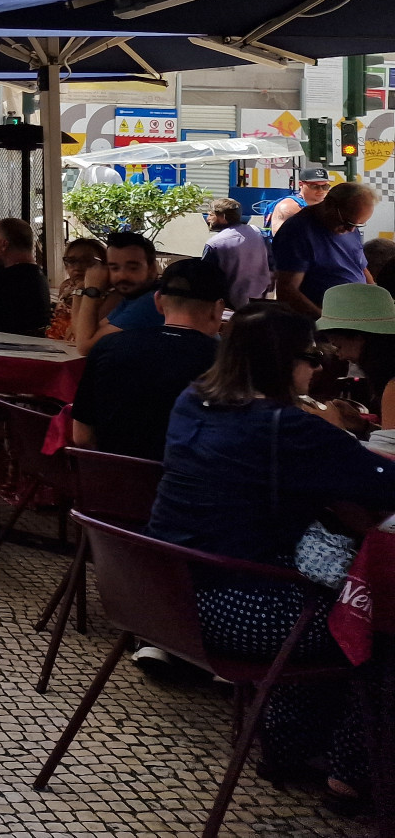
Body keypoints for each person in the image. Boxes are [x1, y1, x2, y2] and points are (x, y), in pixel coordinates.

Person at [149, 303, 395, 811]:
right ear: (287, 361)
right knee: (377, 623)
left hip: (163, 593)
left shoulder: (193, 399)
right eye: (312, 357)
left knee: (312, 593)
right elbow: (385, 485)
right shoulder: (288, 428)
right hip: (242, 613)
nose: (316, 369)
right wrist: (336, 435)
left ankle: (289, 748)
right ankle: (353, 777)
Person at [70, 258, 225, 460]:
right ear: (218, 309)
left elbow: (81, 437)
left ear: (158, 302)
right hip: (190, 486)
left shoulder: (108, 346)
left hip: (112, 482)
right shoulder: (228, 360)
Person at [273, 180, 375, 317]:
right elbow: (287, 290)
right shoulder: (298, 231)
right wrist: (326, 321)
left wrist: (379, 298)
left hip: (354, 319)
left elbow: (360, 267)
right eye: (347, 222)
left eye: (357, 225)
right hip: (323, 324)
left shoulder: (349, 227)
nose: (351, 229)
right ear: (330, 204)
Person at [314, 282, 395, 425]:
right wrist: (362, 425)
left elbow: (387, 448)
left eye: (338, 346)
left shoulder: (393, 388)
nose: (341, 356)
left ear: (360, 337)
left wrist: (337, 427)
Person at [70, 231, 162, 351]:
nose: (122, 276)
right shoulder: (133, 297)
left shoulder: (151, 301)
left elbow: (85, 347)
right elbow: (83, 334)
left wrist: (91, 290)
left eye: (133, 268)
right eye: (114, 268)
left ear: (152, 268)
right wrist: (79, 290)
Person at [202, 196, 271, 309]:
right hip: (259, 303)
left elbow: (206, 279)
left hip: (229, 307)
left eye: (211, 215)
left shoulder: (215, 243)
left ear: (223, 217)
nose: (208, 219)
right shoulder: (258, 233)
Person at [46, 237, 108, 341]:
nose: (78, 267)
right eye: (71, 261)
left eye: (87, 261)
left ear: (104, 264)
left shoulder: (107, 295)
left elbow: (82, 334)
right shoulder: (66, 286)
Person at [266, 171, 331, 233]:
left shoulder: (326, 206)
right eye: (314, 186)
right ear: (300, 184)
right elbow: (281, 237)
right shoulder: (288, 206)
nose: (321, 190)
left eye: (325, 186)